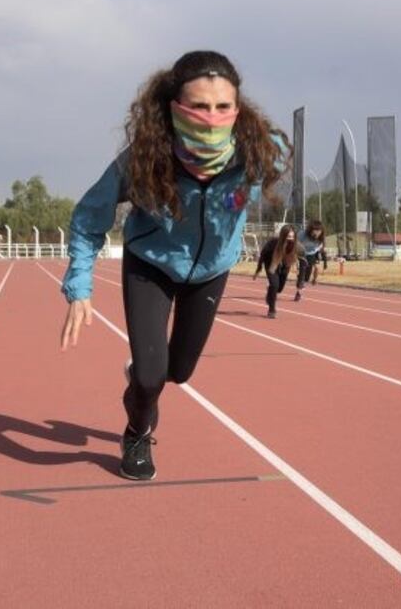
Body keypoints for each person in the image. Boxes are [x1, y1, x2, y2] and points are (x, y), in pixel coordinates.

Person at [59, 50, 290, 481]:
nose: (211, 118)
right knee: (151, 376)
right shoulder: (145, 156)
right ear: (174, 108)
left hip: (210, 270)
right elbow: (90, 215)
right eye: (199, 107)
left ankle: (148, 377)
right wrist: (80, 284)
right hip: (151, 265)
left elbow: (261, 188)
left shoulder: (257, 154)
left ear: (238, 110)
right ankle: (137, 431)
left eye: (223, 107)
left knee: (178, 373)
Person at [253, 224, 301, 318]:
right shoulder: (273, 243)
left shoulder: (296, 245)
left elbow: (303, 256)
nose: (290, 239)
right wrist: (259, 269)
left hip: (284, 266)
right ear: (283, 236)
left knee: (279, 289)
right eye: (288, 237)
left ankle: (270, 292)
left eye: (292, 237)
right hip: (271, 263)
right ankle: (272, 310)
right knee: (274, 285)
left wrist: (300, 269)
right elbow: (263, 255)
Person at [295, 219, 327, 300]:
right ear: (310, 230)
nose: (317, 233)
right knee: (303, 270)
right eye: (315, 230)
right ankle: (299, 291)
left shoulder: (321, 237)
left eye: (319, 231)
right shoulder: (302, 234)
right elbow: (295, 243)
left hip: (312, 253)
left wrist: (324, 260)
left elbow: (322, 247)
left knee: (307, 277)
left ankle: (305, 280)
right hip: (301, 252)